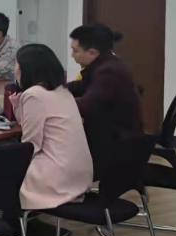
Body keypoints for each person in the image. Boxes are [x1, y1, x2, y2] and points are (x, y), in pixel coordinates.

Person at [9, 44, 93, 211]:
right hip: (78, 175)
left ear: (27, 69)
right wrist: (18, 107)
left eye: (17, 65)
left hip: (54, 176)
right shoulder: (63, 91)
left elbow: (30, 144)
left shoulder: (34, 94)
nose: (15, 69)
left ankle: (4, 219)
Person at [67, 24, 144, 174]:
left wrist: (53, 101)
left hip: (116, 146)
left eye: (75, 51)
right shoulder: (106, 65)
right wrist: (57, 88)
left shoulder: (109, 72)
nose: (72, 55)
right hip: (115, 137)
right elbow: (82, 86)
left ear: (92, 52)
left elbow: (86, 106)